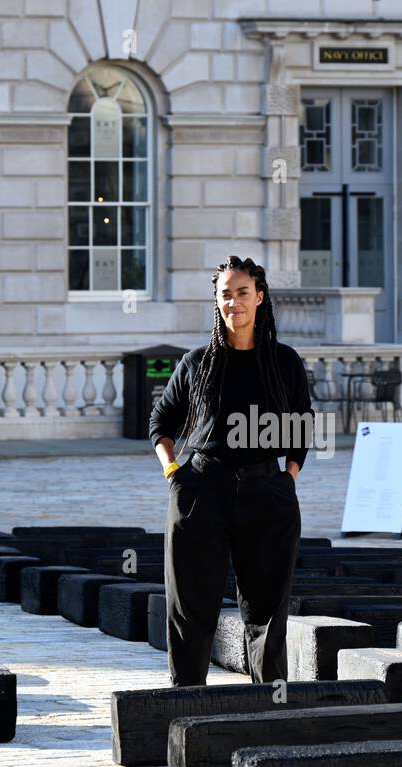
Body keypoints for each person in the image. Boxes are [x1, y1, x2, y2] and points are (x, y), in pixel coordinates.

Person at [149, 255, 312, 686]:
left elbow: (301, 427)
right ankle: (187, 710)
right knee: (190, 612)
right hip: (202, 492)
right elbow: (160, 423)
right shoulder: (197, 363)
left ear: (259, 297)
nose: (233, 302)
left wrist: (287, 479)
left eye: (242, 293)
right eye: (226, 294)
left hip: (267, 494)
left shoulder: (285, 362)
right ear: (216, 301)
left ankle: (270, 714)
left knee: (267, 617)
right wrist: (174, 474)